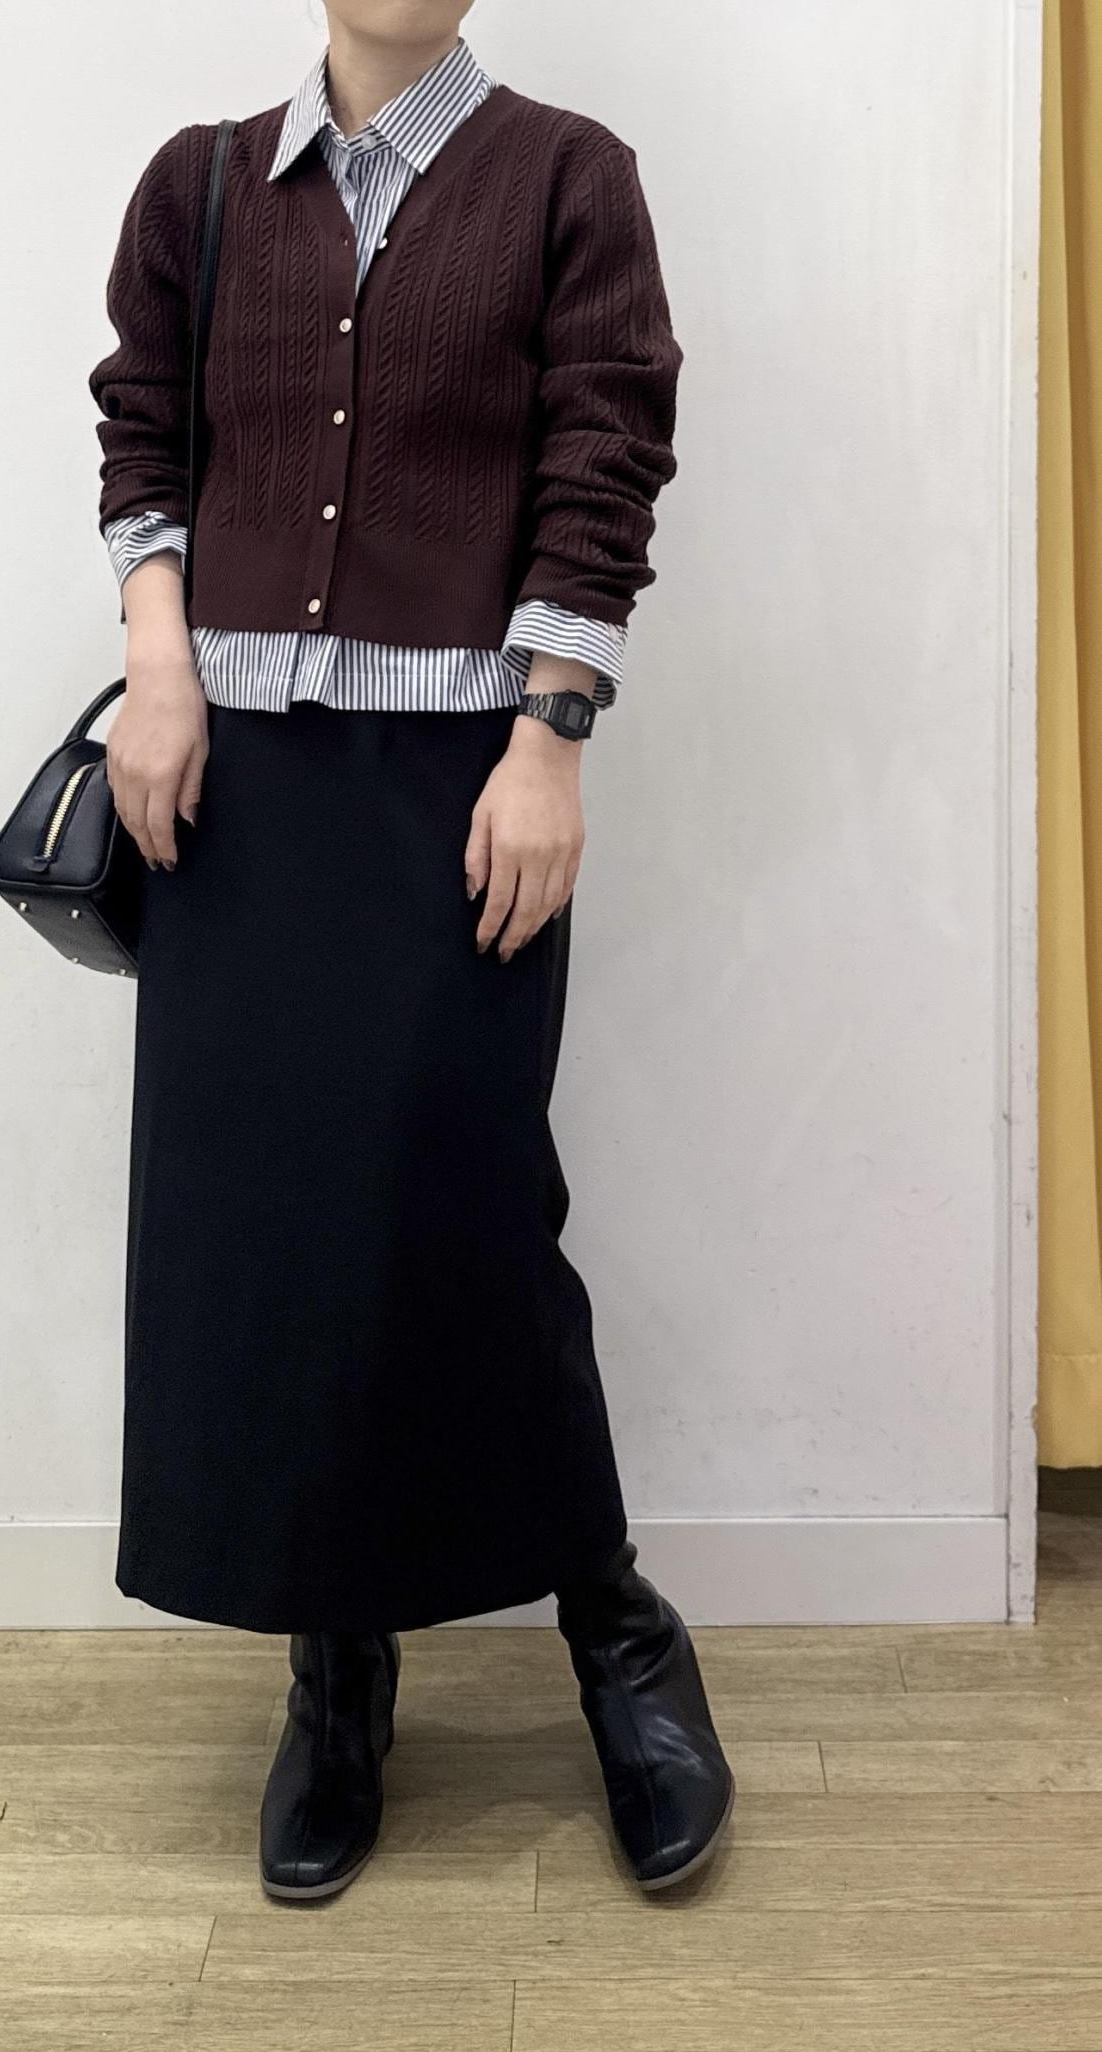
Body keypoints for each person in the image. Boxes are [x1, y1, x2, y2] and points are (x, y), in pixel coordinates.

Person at [88, 0, 733, 1900]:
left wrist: (553, 738)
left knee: (469, 1214)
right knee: (277, 1233)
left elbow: (606, 451)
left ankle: (619, 1632)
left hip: (465, 786)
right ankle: (337, 1674)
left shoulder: (567, 179)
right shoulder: (201, 185)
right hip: (232, 789)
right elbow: (143, 429)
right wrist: (156, 663)